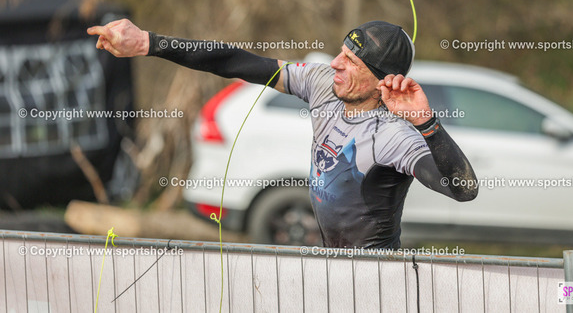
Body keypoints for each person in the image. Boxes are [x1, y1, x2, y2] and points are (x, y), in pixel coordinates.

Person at [87, 19, 478, 248]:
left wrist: (426, 123)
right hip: (330, 263)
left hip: (376, 277)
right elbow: (236, 61)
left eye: (350, 61)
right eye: (340, 52)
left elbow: (464, 189)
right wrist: (148, 42)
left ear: (380, 79)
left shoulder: (392, 135)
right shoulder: (322, 84)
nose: (335, 63)